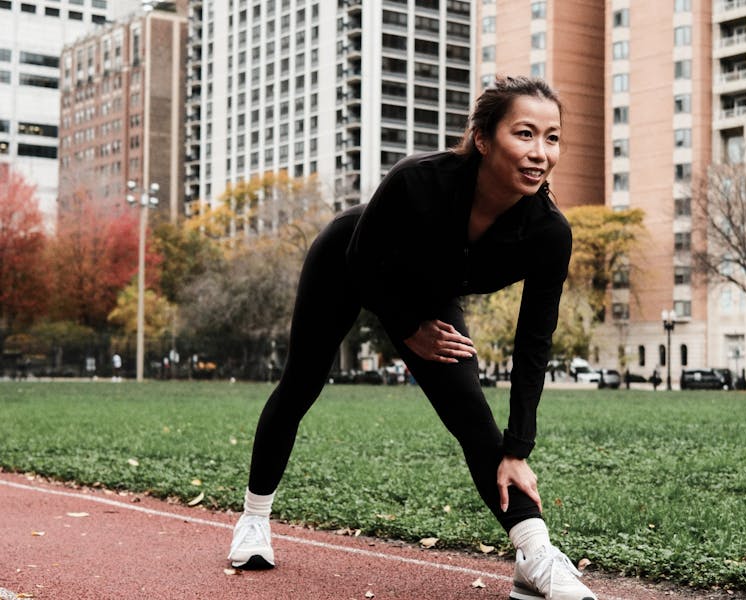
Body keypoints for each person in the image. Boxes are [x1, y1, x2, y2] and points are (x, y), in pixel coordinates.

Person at [227, 76, 597, 600]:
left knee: (471, 414)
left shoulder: (548, 233)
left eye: (552, 137)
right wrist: (407, 329)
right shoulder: (419, 180)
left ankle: (533, 556)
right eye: (525, 134)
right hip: (350, 261)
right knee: (302, 383)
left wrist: (517, 447)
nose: (541, 152)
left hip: (430, 295)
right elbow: (360, 260)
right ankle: (254, 520)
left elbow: (534, 340)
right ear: (484, 139)